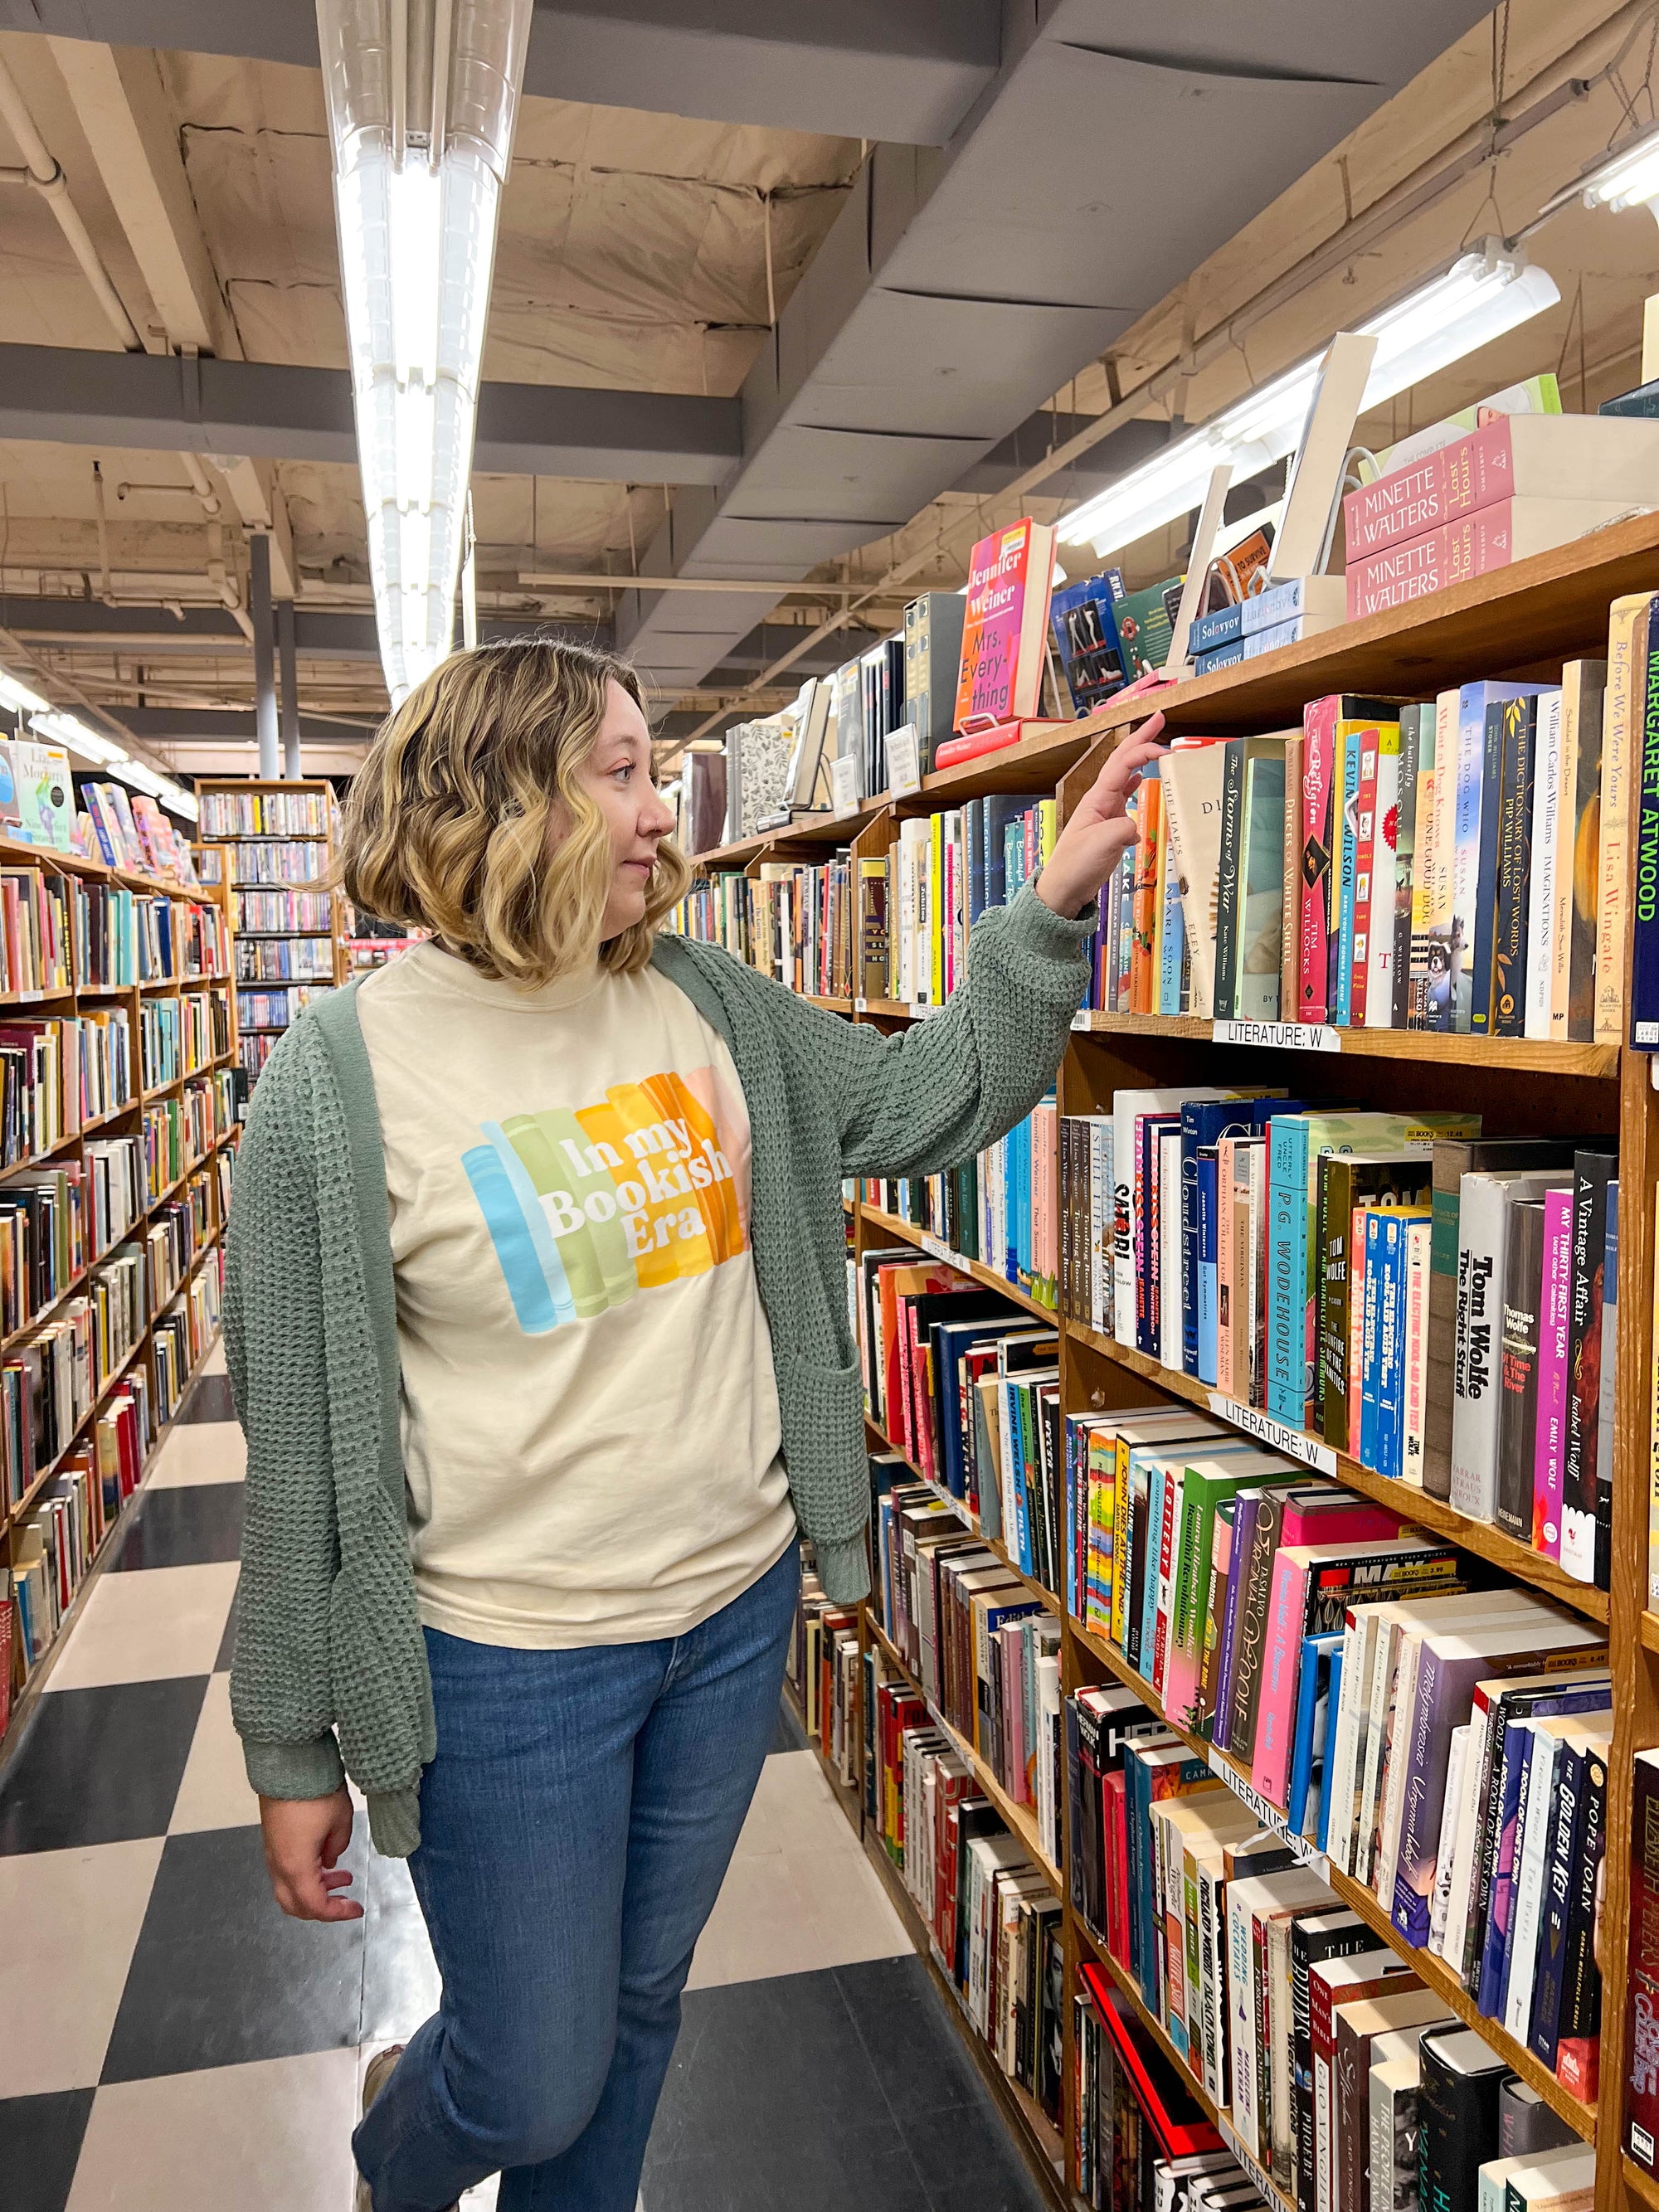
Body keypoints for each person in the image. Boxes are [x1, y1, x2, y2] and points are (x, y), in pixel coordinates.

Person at [224, 637, 1166, 2212]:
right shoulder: (339, 1083)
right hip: (506, 1665)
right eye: (620, 771)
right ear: (501, 800)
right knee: (530, 2074)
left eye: (651, 769)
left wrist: (1050, 903)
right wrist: (290, 1740)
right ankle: (404, 2158)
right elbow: (298, 1459)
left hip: (728, 1623)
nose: (662, 812)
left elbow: (917, 1104)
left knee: (639, 2016)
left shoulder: (699, 997)